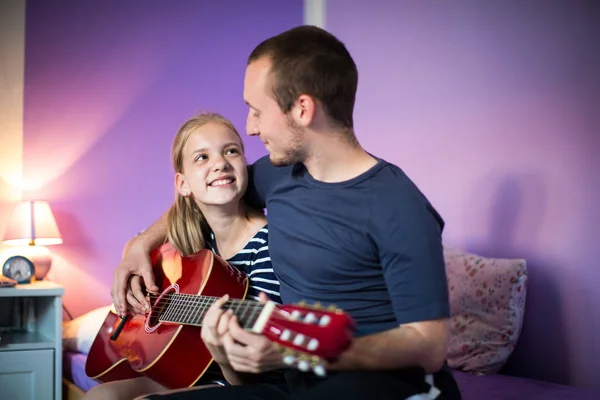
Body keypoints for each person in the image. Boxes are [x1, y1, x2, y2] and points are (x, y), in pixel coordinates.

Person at [113, 25, 462, 400]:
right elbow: (203, 194)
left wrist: (304, 349)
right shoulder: (279, 175)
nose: (249, 128)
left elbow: (429, 348)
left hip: (384, 388)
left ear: (302, 109)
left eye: (256, 111)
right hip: (294, 384)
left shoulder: (398, 206)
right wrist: (140, 244)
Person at [84, 112, 287, 400]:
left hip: (239, 382)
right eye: (202, 157)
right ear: (183, 185)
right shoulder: (197, 239)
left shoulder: (270, 248)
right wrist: (133, 255)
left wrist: (226, 354)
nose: (220, 163)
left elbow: (248, 380)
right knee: (99, 397)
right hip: (193, 370)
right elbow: (135, 244)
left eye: (231, 150)